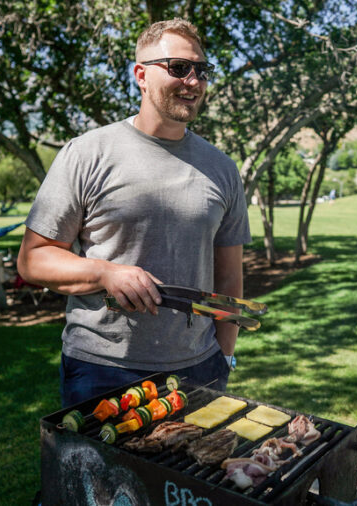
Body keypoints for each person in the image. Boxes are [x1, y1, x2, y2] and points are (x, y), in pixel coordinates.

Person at [17, 19, 251, 408]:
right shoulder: (87, 153)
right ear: (141, 75)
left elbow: (228, 276)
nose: (193, 81)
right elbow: (33, 259)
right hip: (102, 370)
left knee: (193, 471)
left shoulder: (222, 168)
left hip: (201, 368)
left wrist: (224, 357)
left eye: (201, 70)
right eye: (178, 68)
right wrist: (105, 273)